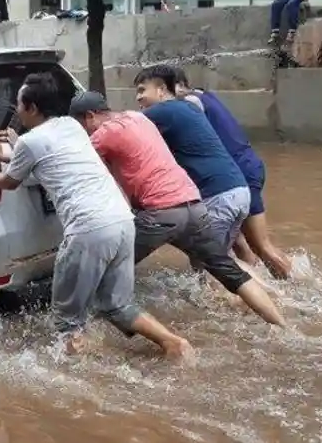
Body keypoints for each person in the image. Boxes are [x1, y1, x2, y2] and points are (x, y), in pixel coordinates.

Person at [0, 73, 193, 359]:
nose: (16, 108)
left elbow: (10, 181)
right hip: (122, 221)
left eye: (19, 103)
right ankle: (174, 343)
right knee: (116, 305)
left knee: (66, 319)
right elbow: (48, 156)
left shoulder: (29, 142)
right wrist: (3, 156)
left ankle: (76, 379)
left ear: (32, 108)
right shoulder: (71, 126)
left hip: (88, 229)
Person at [68, 91, 286, 327]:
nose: (86, 132)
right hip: (194, 205)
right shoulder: (138, 118)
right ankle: (282, 325)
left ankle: (86, 333)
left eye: (82, 126)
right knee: (230, 272)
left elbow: (72, 162)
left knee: (104, 270)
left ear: (91, 116)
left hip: (160, 214)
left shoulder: (104, 134)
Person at [173, 68, 293, 280]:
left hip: (235, 174)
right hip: (245, 167)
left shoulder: (189, 102)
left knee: (260, 245)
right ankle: (260, 287)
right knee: (239, 243)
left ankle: (293, 291)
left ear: (179, 86)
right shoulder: (204, 95)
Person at [133, 65, 252, 275]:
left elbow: (122, 126)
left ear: (161, 90)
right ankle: (276, 291)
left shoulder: (162, 111)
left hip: (217, 196)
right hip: (236, 190)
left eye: (142, 90)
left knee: (214, 268)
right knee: (217, 259)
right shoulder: (186, 108)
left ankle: (271, 299)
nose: (138, 98)